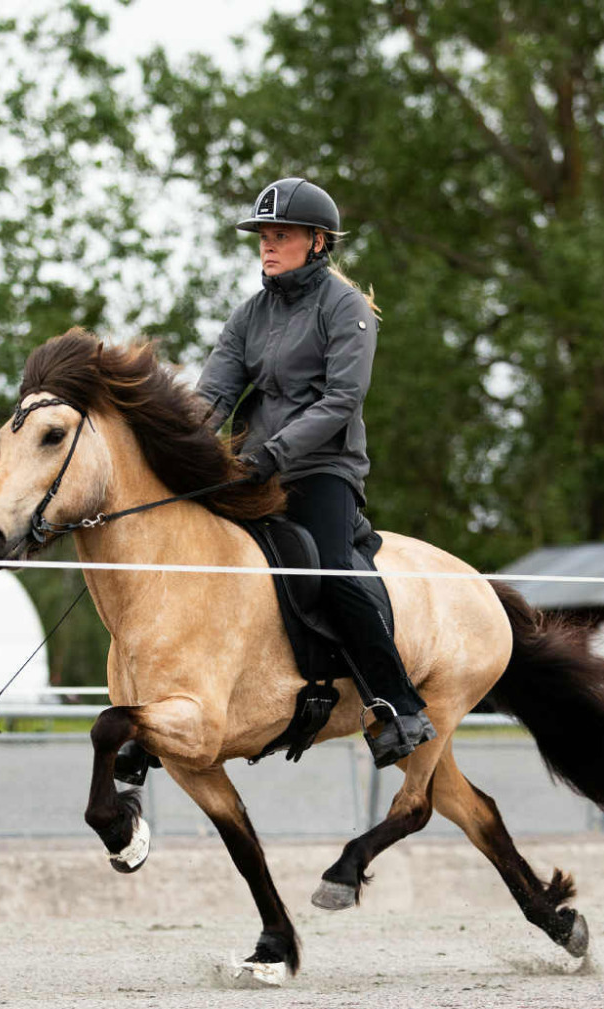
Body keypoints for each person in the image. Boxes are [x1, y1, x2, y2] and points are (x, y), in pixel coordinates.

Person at [195, 175, 434, 767]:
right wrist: (179, 450)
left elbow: (340, 402)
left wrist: (270, 455)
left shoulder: (346, 308)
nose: (268, 246)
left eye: (282, 236)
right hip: (251, 466)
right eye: (263, 237)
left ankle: (397, 705)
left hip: (322, 467)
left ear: (319, 242)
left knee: (326, 574)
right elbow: (211, 395)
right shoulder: (248, 315)